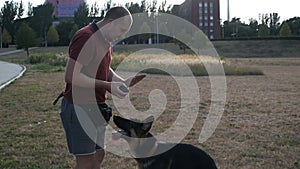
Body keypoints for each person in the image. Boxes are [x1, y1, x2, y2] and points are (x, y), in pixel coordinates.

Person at [59, 6, 146, 169]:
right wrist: (107, 85)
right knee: (86, 162)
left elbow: (104, 68)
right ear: (111, 22)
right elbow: (71, 76)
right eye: (122, 30)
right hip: (79, 108)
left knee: (99, 155)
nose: (123, 35)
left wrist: (121, 82)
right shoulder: (85, 37)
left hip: (96, 108)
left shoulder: (105, 40)